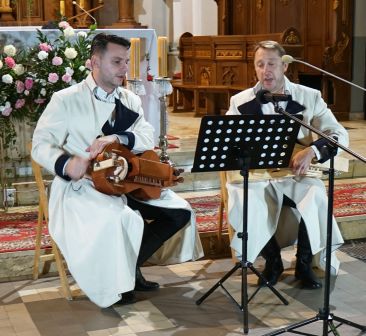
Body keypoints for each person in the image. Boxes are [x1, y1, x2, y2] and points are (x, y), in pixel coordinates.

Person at [31, 33, 203, 308]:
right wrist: (66, 164)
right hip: (84, 185)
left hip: (128, 180)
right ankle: (114, 284)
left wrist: (119, 138)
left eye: (125, 61)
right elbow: (40, 145)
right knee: (120, 219)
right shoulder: (65, 100)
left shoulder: (130, 99)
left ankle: (129, 270)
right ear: (94, 62)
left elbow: (147, 135)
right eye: (117, 62)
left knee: (179, 213)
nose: (125, 68)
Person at [226, 40, 349, 289]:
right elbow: (229, 140)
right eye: (260, 65)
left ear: (284, 67)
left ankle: (304, 263)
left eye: (271, 64)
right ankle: (272, 262)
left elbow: (337, 133)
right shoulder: (240, 101)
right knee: (245, 199)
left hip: (296, 172)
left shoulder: (309, 96)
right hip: (259, 173)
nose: (265, 70)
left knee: (315, 195)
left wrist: (312, 151)